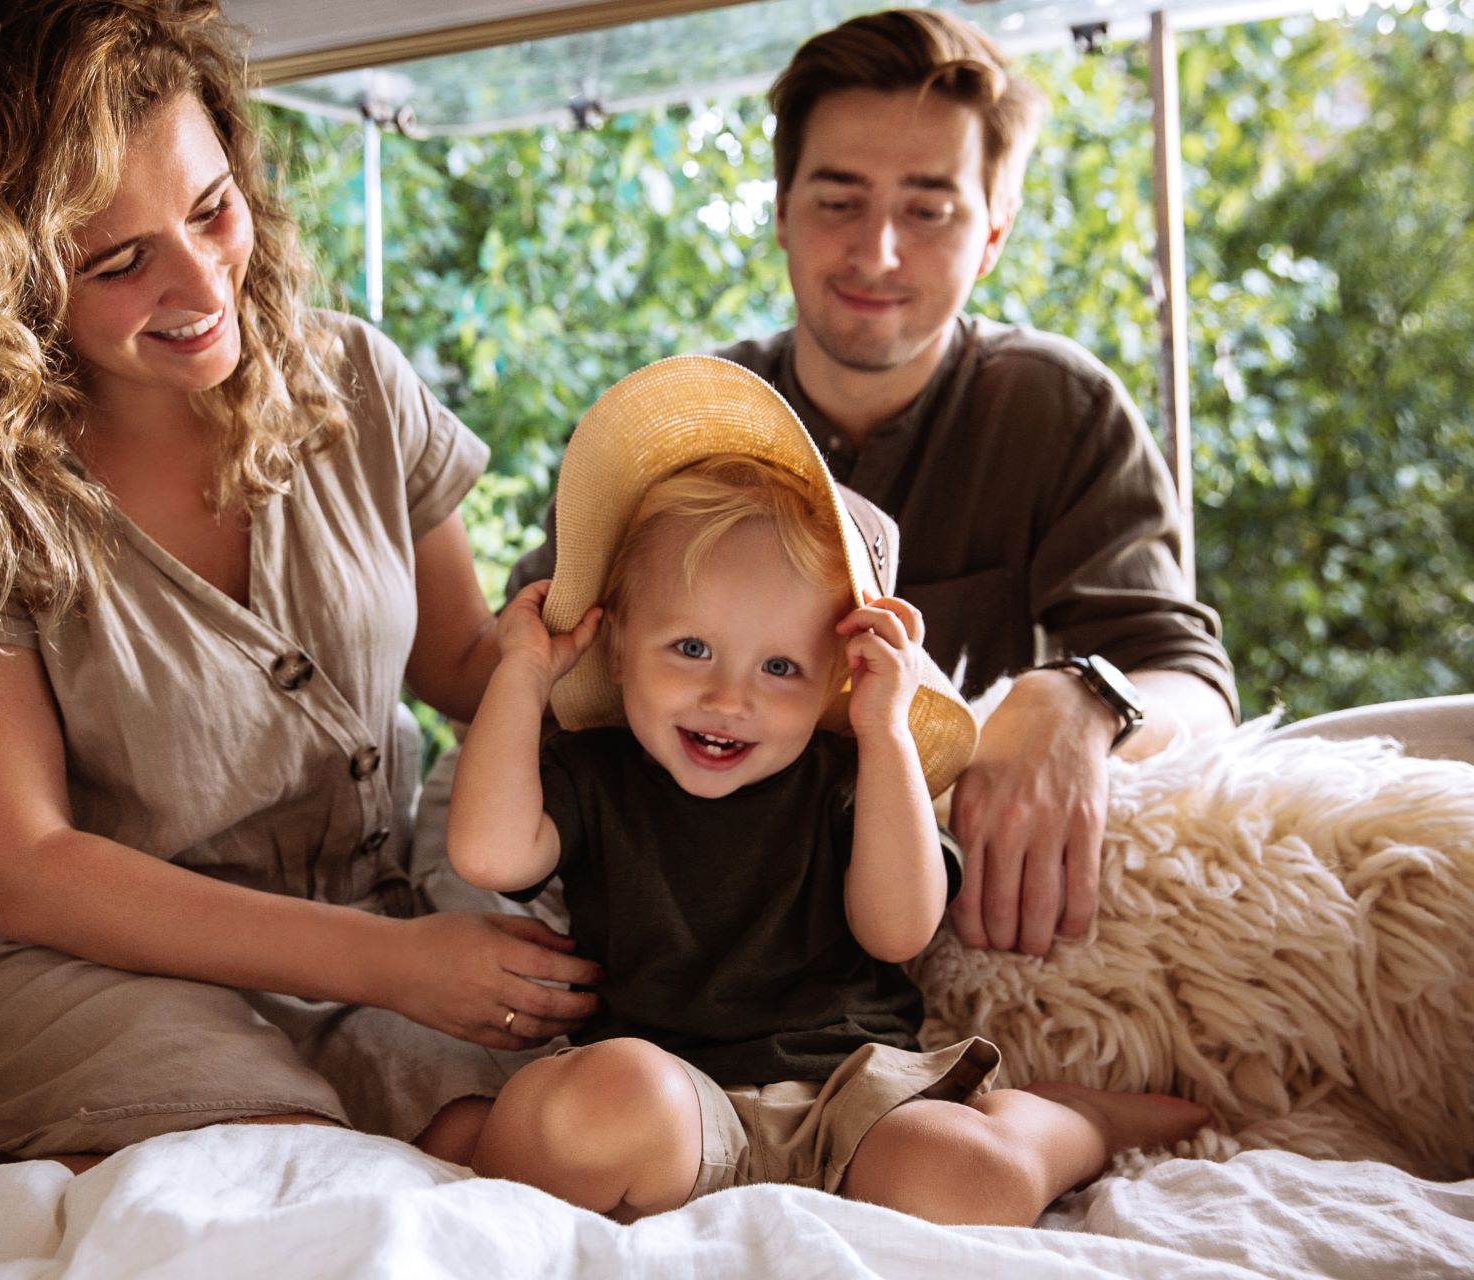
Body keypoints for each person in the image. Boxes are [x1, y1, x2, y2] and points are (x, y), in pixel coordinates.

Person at [0, 0, 595, 1179]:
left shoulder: (354, 378)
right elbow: (31, 870)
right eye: (119, 261)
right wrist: (405, 967)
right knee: (283, 1182)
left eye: (212, 209)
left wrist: (657, 652)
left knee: (517, 1152)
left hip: (362, 933)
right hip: (66, 959)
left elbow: (467, 665)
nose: (202, 278)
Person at [508, 9, 1238, 957]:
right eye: (838, 199)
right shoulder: (683, 421)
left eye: (929, 209)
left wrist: (1077, 698)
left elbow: (1197, 686)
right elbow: (536, 659)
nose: (878, 252)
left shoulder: (1057, 409)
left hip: (920, 930)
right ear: (780, 210)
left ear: (993, 236)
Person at [450, 357, 1210, 1222]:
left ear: (833, 684)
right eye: (690, 649)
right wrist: (521, 674)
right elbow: (488, 850)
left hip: (851, 1099)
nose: (728, 697)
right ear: (618, 649)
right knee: (596, 1106)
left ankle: (1074, 1123)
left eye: (781, 667)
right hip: (670, 1106)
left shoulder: (845, 781)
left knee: (964, 1174)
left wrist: (886, 732)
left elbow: (898, 929)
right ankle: (509, 1131)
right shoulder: (600, 774)